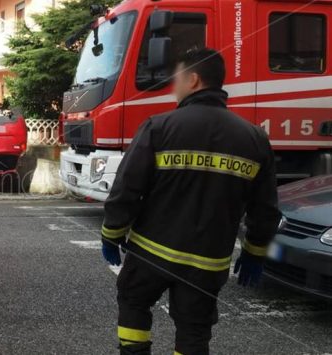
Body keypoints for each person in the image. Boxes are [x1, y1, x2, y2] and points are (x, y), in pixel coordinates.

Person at [100, 48, 281, 355]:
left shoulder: (159, 127)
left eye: (177, 80)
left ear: (194, 80)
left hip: (150, 253)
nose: (174, 88)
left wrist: (111, 233)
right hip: (208, 262)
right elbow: (264, 208)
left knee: (133, 303)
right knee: (194, 330)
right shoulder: (254, 138)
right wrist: (255, 251)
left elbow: (127, 188)